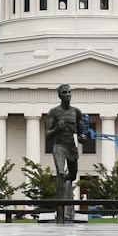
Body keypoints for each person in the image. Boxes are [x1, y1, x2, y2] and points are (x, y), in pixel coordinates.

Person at [46, 84, 83, 220]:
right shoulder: (53, 112)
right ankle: (61, 207)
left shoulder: (76, 112)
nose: (67, 94)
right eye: (64, 92)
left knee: (71, 177)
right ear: (59, 95)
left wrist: (83, 138)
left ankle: (67, 201)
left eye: (69, 92)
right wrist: (56, 128)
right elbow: (48, 135)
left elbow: (81, 135)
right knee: (61, 173)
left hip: (71, 148)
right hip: (59, 146)